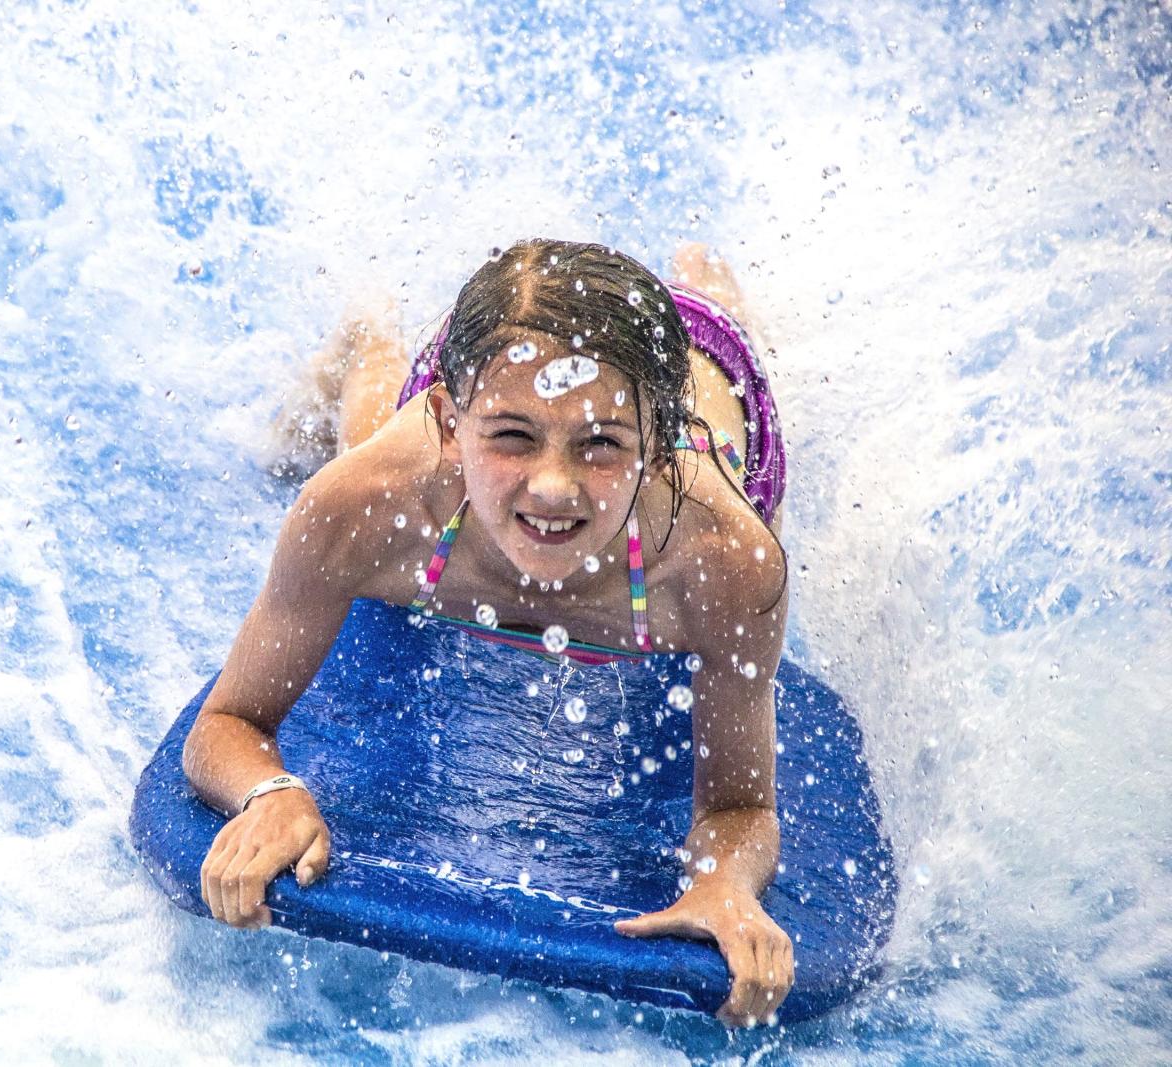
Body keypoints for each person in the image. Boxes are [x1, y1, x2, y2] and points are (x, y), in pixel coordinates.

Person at [181, 238, 794, 1027]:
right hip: (494, 422)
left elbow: (742, 806)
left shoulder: (720, 559)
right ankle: (370, 335)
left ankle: (709, 290)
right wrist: (269, 791)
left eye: (601, 447)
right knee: (364, 431)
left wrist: (724, 879)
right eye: (512, 437)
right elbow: (226, 724)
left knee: (722, 368)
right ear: (446, 419)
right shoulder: (367, 506)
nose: (552, 485)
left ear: (653, 445)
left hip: (696, 384)